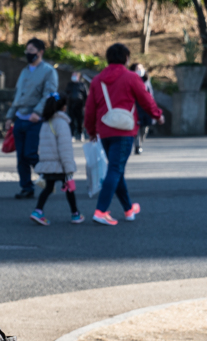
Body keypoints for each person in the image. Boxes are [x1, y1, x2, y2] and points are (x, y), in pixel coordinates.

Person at [84, 43, 163, 226]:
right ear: (126, 58)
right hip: (125, 130)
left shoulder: (97, 80)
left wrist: (91, 131)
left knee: (115, 168)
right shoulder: (131, 78)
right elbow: (146, 100)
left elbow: (90, 109)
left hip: (104, 130)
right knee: (115, 169)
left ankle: (128, 210)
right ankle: (101, 211)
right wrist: (158, 116)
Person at [5, 38, 58, 199]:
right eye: (27, 50)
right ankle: (26, 187)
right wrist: (10, 116)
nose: (28, 54)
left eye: (32, 50)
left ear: (40, 52)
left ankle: (47, 177)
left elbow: (49, 94)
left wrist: (38, 112)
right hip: (20, 117)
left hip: (35, 119)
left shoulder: (48, 71)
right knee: (21, 156)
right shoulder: (24, 71)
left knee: (30, 153)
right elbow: (18, 95)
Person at [31, 93, 82, 225]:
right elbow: (65, 149)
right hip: (60, 165)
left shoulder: (46, 123)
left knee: (48, 188)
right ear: (63, 107)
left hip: (48, 165)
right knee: (70, 188)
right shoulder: (62, 123)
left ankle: (38, 211)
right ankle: (75, 214)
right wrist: (69, 168)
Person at [130, 63, 153, 154]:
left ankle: (140, 143)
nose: (140, 70)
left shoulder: (146, 80)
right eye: (137, 68)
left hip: (145, 108)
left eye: (141, 68)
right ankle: (137, 146)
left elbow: (150, 95)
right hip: (135, 107)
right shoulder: (130, 80)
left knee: (144, 129)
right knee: (137, 128)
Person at [66, 71, 89, 140]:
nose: (74, 77)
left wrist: (85, 106)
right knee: (71, 120)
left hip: (80, 106)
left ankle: (80, 134)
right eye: (73, 75)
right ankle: (72, 135)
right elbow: (66, 93)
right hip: (71, 105)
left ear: (79, 76)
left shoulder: (82, 84)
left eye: (75, 75)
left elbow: (86, 95)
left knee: (80, 121)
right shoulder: (70, 84)